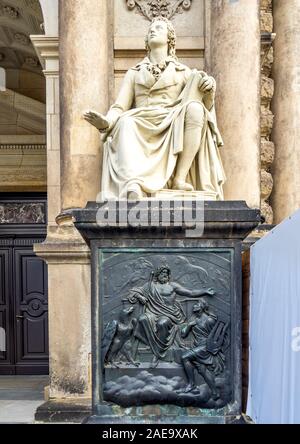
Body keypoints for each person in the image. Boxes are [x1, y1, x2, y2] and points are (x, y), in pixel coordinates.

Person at [84, 16, 226, 200]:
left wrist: (209, 92)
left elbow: (205, 107)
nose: (152, 30)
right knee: (125, 122)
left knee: (196, 110)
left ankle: (179, 178)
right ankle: (133, 183)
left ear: (169, 38)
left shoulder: (184, 72)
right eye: (151, 29)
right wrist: (106, 123)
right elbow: (120, 106)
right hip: (141, 118)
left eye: (159, 28)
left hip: (172, 120)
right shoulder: (134, 72)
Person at [128, 266, 215, 368]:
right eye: (162, 273)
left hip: (170, 314)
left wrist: (204, 291)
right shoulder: (150, 285)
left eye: (166, 273)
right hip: (153, 313)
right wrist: (140, 297)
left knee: (162, 323)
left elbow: (190, 293)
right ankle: (153, 344)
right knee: (142, 319)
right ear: (157, 275)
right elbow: (133, 291)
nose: (164, 274)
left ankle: (157, 354)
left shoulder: (172, 286)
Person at [179, 300, 228, 400]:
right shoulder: (195, 319)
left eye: (197, 304)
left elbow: (217, 336)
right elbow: (183, 334)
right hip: (197, 347)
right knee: (202, 370)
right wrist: (189, 325)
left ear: (202, 307)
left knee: (184, 357)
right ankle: (215, 392)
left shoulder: (209, 320)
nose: (194, 305)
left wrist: (215, 349)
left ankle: (191, 384)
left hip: (205, 347)